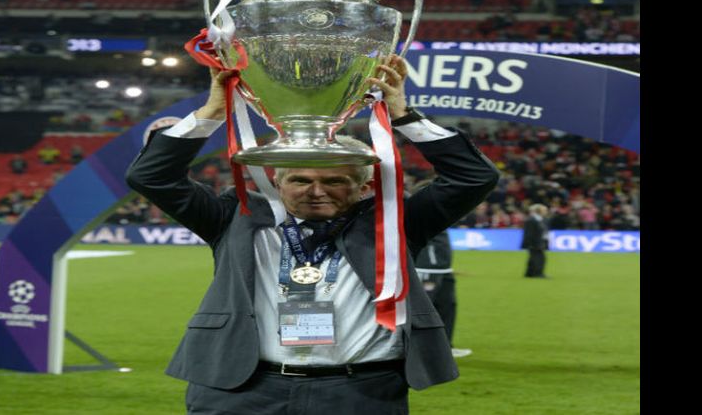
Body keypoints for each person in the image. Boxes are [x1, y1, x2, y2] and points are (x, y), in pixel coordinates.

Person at [126, 54, 500, 414]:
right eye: (301, 180)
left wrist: (403, 114)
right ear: (276, 182)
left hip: (359, 394)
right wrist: (211, 111)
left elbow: (474, 177)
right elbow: (151, 177)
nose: (316, 191)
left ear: (365, 187)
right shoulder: (234, 216)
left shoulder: (395, 221)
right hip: (241, 391)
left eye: (334, 181)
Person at [414, 230, 472, 358]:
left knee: (448, 306)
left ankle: (445, 348)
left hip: (444, 267)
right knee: (424, 310)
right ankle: (416, 349)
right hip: (427, 266)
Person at [522, 203, 550, 278]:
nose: (546, 212)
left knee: (533, 258)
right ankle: (538, 273)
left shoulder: (540, 219)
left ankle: (529, 273)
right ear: (539, 211)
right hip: (535, 243)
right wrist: (529, 243)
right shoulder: (532, 220)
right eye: (544, 210)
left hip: (539, 242)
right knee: (540, 258)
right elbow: (529, 233)